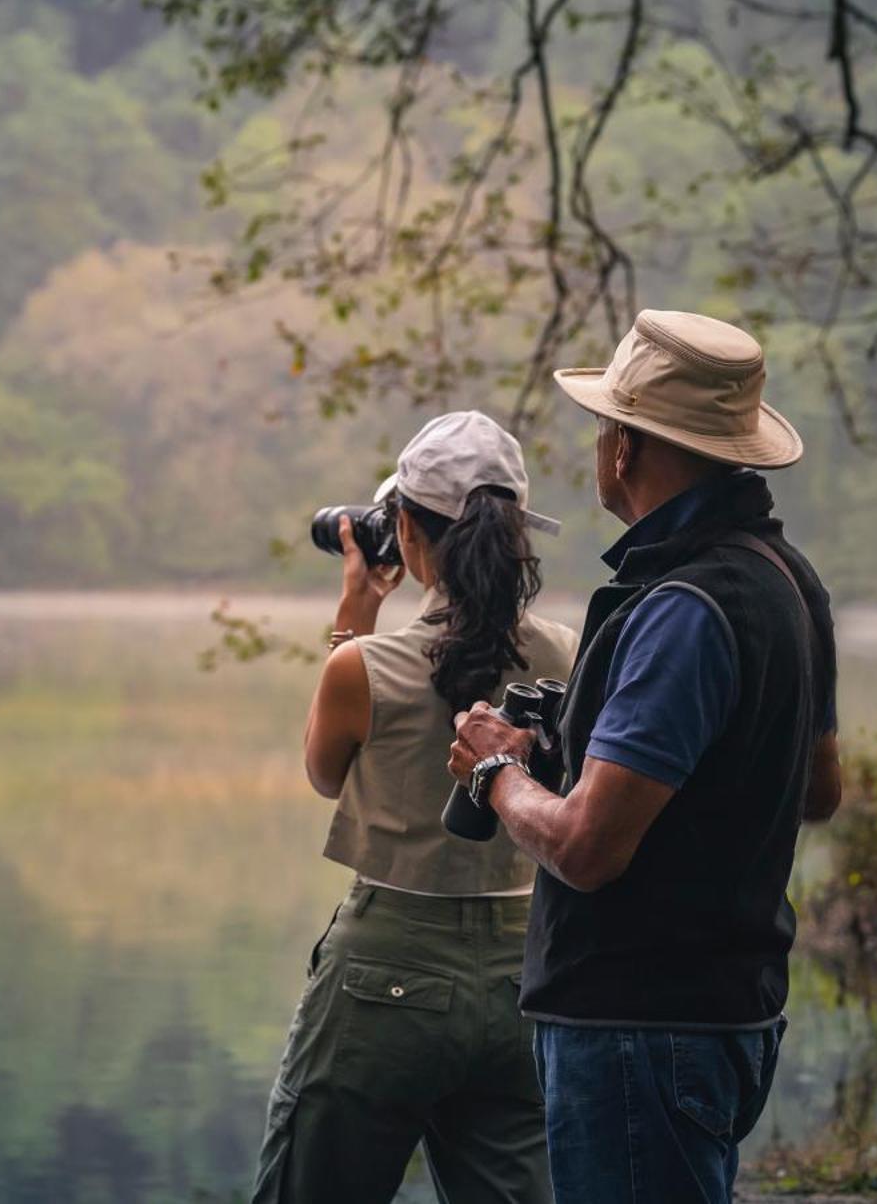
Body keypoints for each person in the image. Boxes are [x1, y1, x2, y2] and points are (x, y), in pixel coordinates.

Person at [447, 310, 843, 1204]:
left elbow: (589, 848)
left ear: (624, 448)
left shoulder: (680, 607)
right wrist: (607, 753)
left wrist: (498, 773)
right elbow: (816, 789)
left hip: (637, 1025)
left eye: (602, 426)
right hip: (730, 1009)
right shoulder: (789, 580)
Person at [253, 410, 580, 1204]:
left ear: (404, 527)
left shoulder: (363, 667)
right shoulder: (568, 652)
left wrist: (355, 612)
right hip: (522, 973)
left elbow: (323, 771)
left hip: (383, 975)